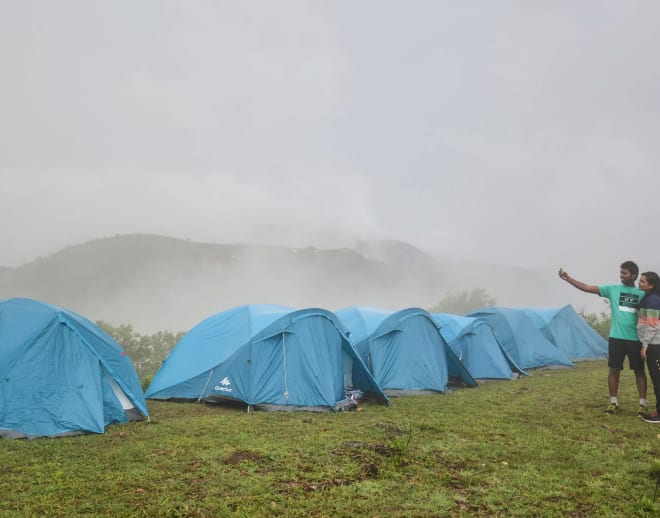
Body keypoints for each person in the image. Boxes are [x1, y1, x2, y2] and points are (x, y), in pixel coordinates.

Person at [558, 261, 647, 415]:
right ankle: (613, 403)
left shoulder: (642, 294)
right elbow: (587, 288)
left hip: (636, 339)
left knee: (639, 371)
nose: (621, 276)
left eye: (624, 273)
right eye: (621, 272)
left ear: (633, 275)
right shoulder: (612, 289)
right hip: (616, 337)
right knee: (614, 369)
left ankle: (642, 404)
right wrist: (569, 279)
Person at [637, 271, 660, 423]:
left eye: (643, 281)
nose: (640, 282)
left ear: (651, 285)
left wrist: (644, 346)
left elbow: (652, 325)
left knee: (657, 378)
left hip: (654, 344)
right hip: (652, 343)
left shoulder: (652, 300)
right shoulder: (649, 297)